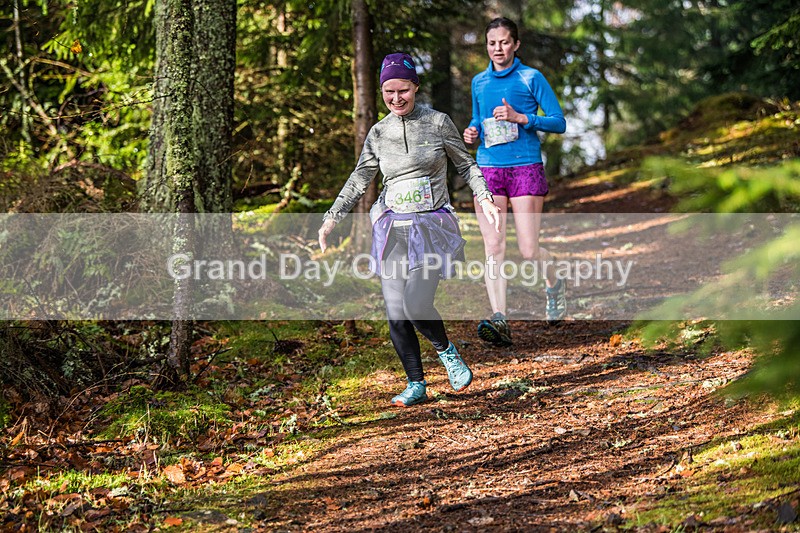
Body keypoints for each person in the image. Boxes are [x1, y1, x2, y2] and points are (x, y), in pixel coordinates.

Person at [318, 52, 501, 407]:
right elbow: (360, 177)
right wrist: (332, 216)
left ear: (415, 87)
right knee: (396, 312)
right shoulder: (379, 132)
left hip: (431, 226)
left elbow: (466, 164)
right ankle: (416, 383)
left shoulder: (437, 122)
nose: (396, 98)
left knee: (417, 302)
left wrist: (486, 197)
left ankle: (446, 351)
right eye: (389, 92)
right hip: (392, 227)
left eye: (403, 90)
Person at [463, 17, 567, 347]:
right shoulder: (479, 81)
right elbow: (477, 118)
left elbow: (559, 122)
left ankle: (554, 283)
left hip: (524, 167)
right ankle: (500, 319)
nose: (498, 48)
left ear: (516, 44)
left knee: (528, 249)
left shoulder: (531, 77)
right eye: (492, 43)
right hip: (489, 169)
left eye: (504, 42)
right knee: (493, 247)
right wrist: (472, 131)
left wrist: (523, 118)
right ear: (487, 46)